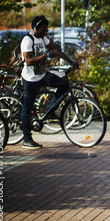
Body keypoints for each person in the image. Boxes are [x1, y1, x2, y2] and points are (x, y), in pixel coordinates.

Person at [20, 16, 79, 149]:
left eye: (46, 30)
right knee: (27, 108)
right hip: (31, 79)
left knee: (64, 85)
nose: (45, 33)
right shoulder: (27, 40)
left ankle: (49, 110)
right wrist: (47, 55)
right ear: (35, 28)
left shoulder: (42, 38)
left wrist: (71, 61)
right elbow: (28, 61)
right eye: (42, 30)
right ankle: (26, 139)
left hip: (42, 75)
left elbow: (56, 51)